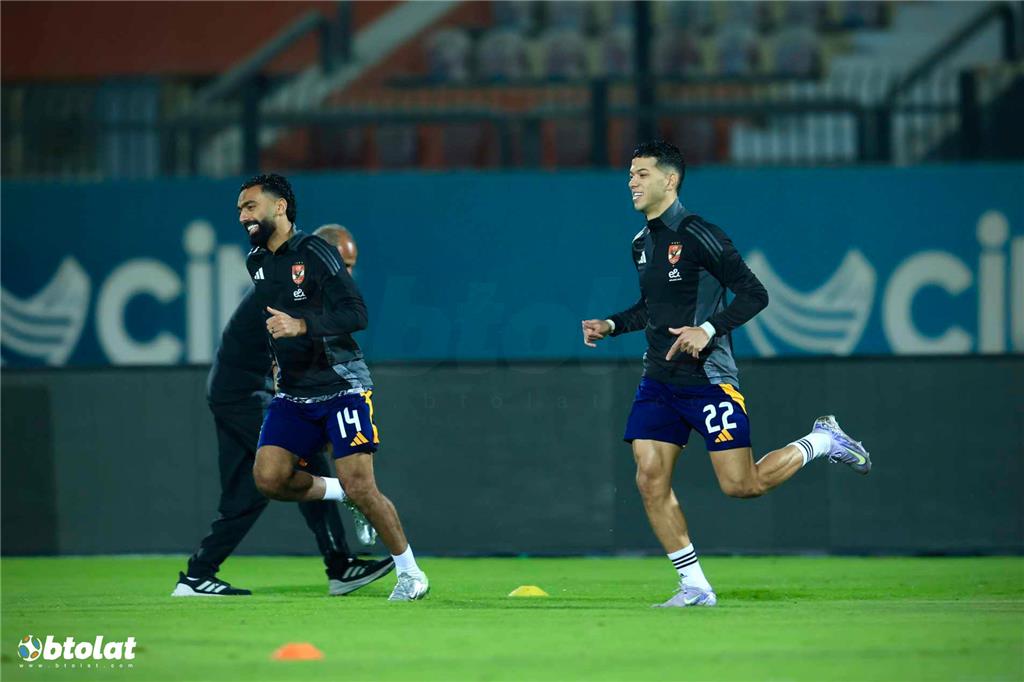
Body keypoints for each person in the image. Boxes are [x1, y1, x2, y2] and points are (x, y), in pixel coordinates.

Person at [581, 140, 871, 608]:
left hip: (708, 380)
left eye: (641, 173)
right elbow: (654, 310)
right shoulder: (640, 244)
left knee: (742, 485)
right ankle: (695, 587)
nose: (631, 181)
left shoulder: (700, 233)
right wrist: (613, 324)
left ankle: (822, 441)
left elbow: (755, 294)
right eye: (630, 174)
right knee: (649, 478)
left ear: (669, 180)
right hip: (658, 380)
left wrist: (708, 329)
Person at [172, 225, 393, 598]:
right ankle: (340, 564)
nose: (347, 273)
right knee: (299, 465)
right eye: (343, 263)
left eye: (352, 266)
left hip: (231, 389)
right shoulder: (295, 290)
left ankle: (197, 576)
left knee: (249, 492)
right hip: (244, 392)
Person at [239, 173, 429, 602]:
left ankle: (411, 573)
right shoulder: (256, 261)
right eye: (240, 210)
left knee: (364, 484)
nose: (243, 216)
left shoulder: (316, 251)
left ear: (280, 207)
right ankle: (344, 491)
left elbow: (356, 314)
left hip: (340, 384)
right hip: (293, 394)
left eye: (250, 206)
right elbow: (274, 321)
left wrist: (302, 325)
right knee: (268, 478)